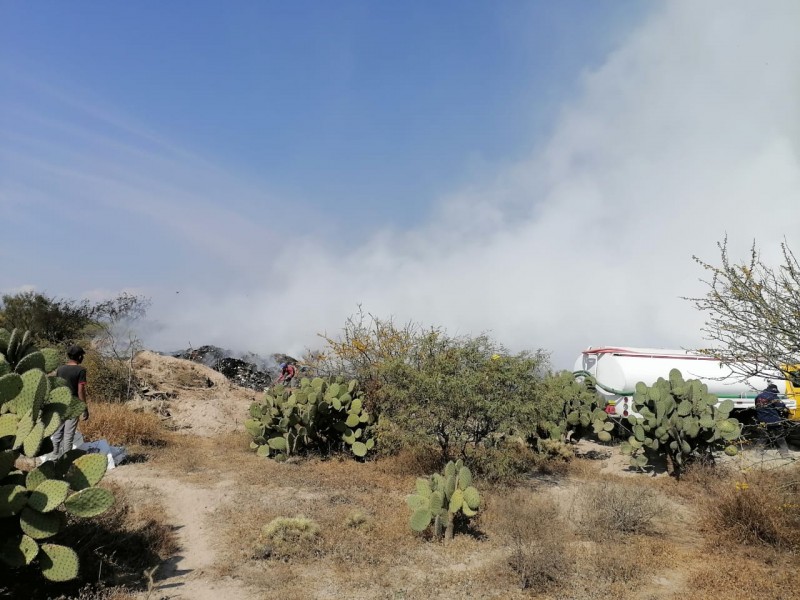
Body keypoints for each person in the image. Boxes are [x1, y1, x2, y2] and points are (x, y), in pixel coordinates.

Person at [50, 345, 90, 458]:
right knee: (68, 435)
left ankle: (54, 458)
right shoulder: (81, 370)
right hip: (73, 405)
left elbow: (57, 386)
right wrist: (84, 408)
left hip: (61, 404)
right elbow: (80, 390)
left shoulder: (60, 369)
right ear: (79, 356)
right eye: (82, 355)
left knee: (57, 433)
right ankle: (66, 461)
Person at [755, 383, 790, 458]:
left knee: (763, 436)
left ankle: (758, 453)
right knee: (780, 437)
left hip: (762, 420)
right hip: (774, 421)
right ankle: (785, 454)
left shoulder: (758, 397)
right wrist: (786, 409)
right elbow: (781, 406)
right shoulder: (773, 396)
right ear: (774, 390)